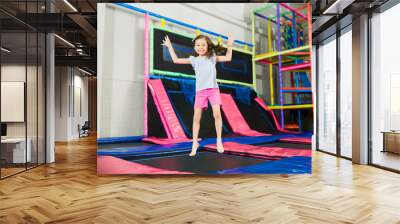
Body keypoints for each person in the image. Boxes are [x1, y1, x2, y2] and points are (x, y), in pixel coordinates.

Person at [162, 34, 233, 156]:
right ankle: (195, 143)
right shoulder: (194, 60)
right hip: (200, 92)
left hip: (213, 90)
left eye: (203, 45)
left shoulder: (212, 57)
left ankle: (219, 141)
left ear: (208, 46)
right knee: (196, 118)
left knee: (217, 114)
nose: (201, 47)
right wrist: (169, 47)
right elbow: (176, 60)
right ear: (195, 47)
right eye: (198, 45)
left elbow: (228, 57)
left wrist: (230, 45)